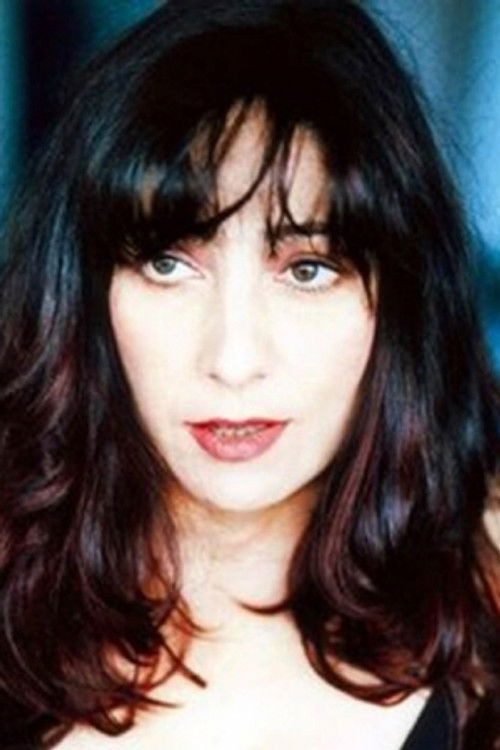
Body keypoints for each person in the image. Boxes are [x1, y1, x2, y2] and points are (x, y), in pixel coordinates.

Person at [0, 0, 498, 747]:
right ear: (84, 293)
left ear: (398, 305)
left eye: (308, 269)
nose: (233, 361)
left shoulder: (482, 655)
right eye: (168, 263)